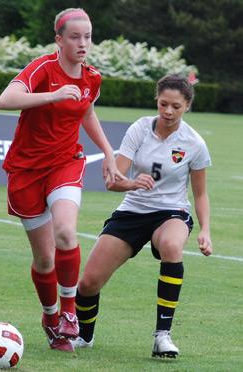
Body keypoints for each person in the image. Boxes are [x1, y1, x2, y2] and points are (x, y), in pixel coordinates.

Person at [0, 8, 123, 352]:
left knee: (66, 232)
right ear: (59, 40)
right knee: (44, 260)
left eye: (88, 37)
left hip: (66, 163)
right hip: (25, 171)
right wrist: (52, 95)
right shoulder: (42, 69)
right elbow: (5, 100)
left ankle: (69, 311)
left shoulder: (91, 78)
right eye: (75, 37)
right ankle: (50, 316)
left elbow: (87, 112)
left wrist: (109, 152)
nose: (83, 43)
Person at [73, 74, 213, 358]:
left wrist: (205, 230)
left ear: (187, 105)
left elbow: (200, 194)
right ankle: (83, 336)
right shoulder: (139, 128)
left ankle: (163, 336)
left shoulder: (194, 143)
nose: (168, 112)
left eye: (176, 106)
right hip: (132, 211)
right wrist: (132, 183)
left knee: (172, 246)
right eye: (163, 104)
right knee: (88, 283)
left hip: (171, 212)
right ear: (156, 101)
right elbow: (114, 181)